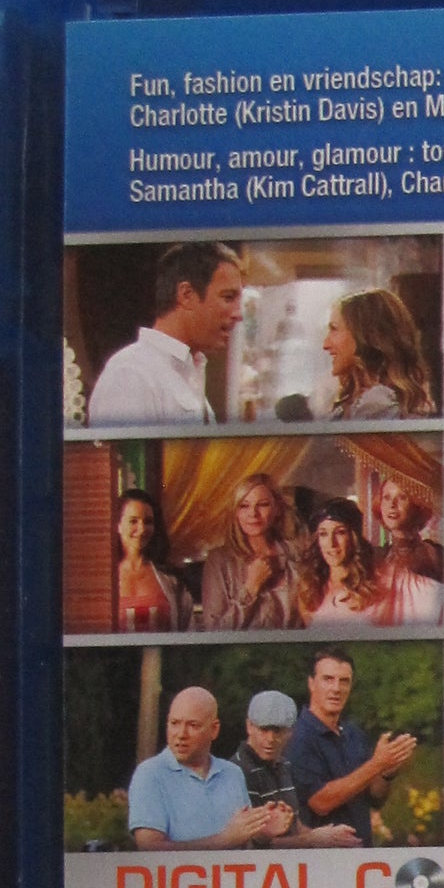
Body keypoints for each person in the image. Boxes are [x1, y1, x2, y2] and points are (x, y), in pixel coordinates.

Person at [86, 243, 244, 427]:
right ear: (186, 295)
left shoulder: (188, 372)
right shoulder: (131, 374)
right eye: (228, 297)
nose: (238, 314)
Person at [127, 686, 291, 850]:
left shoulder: (232, 773)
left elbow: (244, 844)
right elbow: (150, 849)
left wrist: (262, 834)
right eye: (174, 723)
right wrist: (224, 840)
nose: (181, 734)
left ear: (214, 729)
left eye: (193, 725)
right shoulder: (150, 774)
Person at [283, 649, 417, 849]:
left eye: (344, 681)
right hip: (322, 858)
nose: (336, 688)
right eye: (328, 679)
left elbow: (375, 798)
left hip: (362, 855)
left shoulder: (353, 733)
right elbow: (320, 803)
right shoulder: (298, 737)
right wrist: (377, 764)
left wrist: (387, 772)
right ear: (311, 683)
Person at [231, 691, 358, 845]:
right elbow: (252, 845)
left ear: (291, 731)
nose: (270, 739)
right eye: (264, 730)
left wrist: (329, 836)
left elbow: (293, 826)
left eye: (278, 731)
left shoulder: (284, 765)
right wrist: (312, 839)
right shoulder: (236, 773)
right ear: (249, 726)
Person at [200, 471, 303, 630]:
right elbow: (215, 630)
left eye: (262, 504)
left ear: (277, 509)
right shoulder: (219, 561)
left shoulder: (297, 554)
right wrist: (251, 587)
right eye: (244, 505)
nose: (253, 513)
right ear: (235, 512)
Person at [323, 290, 436, 419]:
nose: (325, 344)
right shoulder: (341, 406)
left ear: (366, 335)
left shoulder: (395, 414)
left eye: (334, 329)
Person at [113, 489, 194, 632]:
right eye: (133, 521)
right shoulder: (103, 579)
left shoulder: (171, 579)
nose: (142, 529)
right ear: (118, 525)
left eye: (148, 522)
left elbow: (188, 631)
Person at [372, 475, 444, 626]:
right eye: (386, 497)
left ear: (417, 505)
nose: (392, 505)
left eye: (402, 497)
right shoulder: (374, 558)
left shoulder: (437, 555)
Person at [300, 498, 387, 624]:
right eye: (323, 534)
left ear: (353, 537)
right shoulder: (309, 589)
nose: (331, 544)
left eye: (340, 532)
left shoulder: (373, 587)